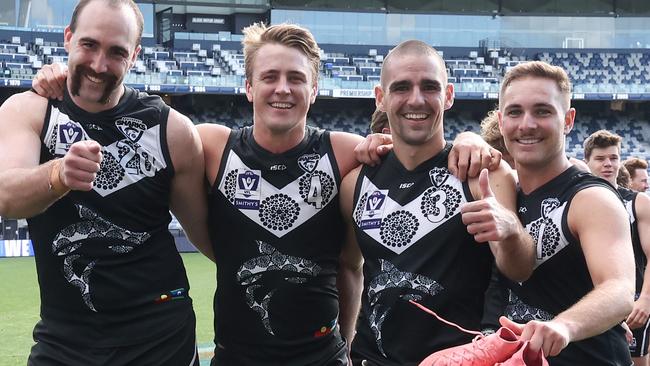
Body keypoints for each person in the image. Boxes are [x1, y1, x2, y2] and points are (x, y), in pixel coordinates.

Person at [31, 22, 501, 365]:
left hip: (321, 356)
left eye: (296, 79)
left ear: (314, 90)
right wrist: (62, 78)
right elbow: (131, 108)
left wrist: (469, 138)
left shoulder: (349, 154)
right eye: (270, 77)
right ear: (248, 86)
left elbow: (355, 255)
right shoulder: (208, 145)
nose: (283, 89)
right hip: (235, 355)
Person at [0, 0, 212, 365]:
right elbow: (6, 195)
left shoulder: (172, 130)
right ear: (68, 38)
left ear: (134, 55)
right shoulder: (30, 110)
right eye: (89, 45)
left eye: (116, 51)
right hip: (65, 338)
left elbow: (206, 233)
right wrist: (58, 174)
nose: (99, 65)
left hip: (162, 338)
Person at [339, 39, 535, 365]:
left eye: (429, 87)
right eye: (401, 87)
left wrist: (511, 229)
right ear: (381, 98)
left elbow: (520, 268)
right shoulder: (354, 183)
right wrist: (344, 345)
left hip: (459, 359)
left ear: (448, 95)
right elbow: (350, 265)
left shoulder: (483, 172)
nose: (416, 99)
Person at [496, 61, 635, 365]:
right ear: (500, 120)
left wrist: (563, 326)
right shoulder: (501, 192)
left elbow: (620, 288)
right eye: (515, 112)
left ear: (568, 120)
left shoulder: (591, 198)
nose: (527, 124)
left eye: (543, 111)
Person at [583, 129, 650, 366]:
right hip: (588, 301)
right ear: (587, 161)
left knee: (634, 361)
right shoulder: (576, 202)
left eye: (613, 158)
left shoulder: (637, 202)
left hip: (630, 302)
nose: (608, 164)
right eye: (600, 159)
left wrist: (646, 299)